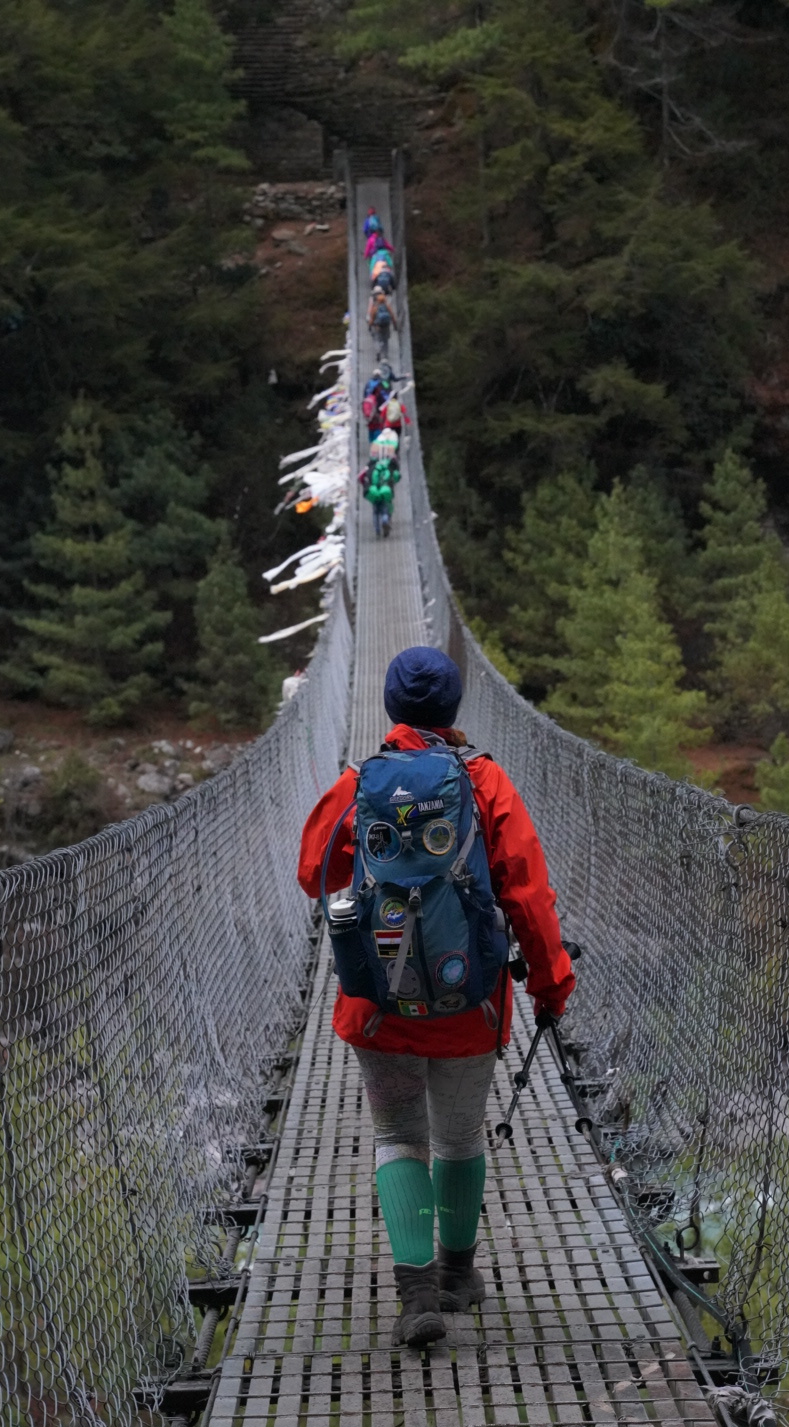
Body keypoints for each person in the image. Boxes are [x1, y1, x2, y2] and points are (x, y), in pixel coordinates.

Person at [297, 647, 576, 1348]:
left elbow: (312, 872)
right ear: (454, 710)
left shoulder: (358, 784)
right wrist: (551, 985)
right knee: (458, 1139)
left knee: (398, 1138)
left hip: (380, 1006)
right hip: (468, 1006)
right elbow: (529, 897)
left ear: (391, 709)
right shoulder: (484, 782)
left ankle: (415, 1294)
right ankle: (458, 1276)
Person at [359, 456, 399, 536]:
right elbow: (396, 476)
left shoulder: (373, 470)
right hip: (386, 490)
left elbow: (370, 480)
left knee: (375, 512)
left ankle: (377, 529)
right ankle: (385, 521)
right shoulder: (388, 468)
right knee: (385, 509)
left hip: (375, 491)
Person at [368, 288, 398, 359]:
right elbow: (392, 316)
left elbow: (372, 319)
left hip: (378, 327)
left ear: (378, 300)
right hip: (386, 326)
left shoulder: (375, 308)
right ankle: (385, 355)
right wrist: (395, 325)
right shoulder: (387, 307)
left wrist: (370, 326)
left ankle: (378, 352)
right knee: (386, 341)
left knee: (377, 339)